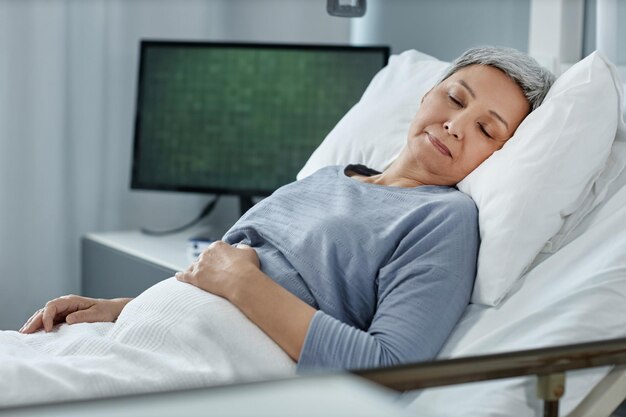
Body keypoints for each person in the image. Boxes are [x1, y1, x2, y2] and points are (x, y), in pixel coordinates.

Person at [19, 47, 555, 371]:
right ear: (424, 97)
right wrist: (120, 308)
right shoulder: (329, 176)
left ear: (500, 155)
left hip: (200, 368)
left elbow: (392, 367)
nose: (457, 125)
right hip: (135, 335)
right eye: (455, 99)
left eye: (487, 128)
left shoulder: (443, 221)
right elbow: (220, 272)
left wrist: (243, 285)